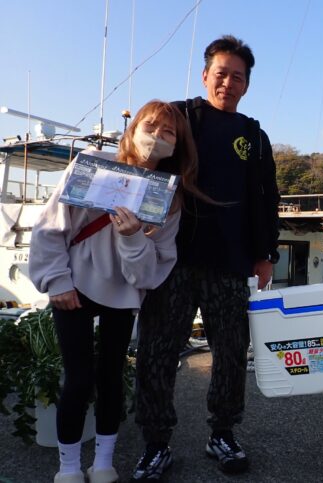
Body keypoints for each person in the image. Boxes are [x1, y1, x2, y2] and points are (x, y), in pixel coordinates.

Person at [29, 100, 204, 483]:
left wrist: (132, 237)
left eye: (169, 132)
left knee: (111, 377)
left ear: (177, 146)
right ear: (133, 128)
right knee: (77, 379)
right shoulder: (92, 164)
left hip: (122, 294)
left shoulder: (169, 198)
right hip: (74, 285)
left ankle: (104, 463)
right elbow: (51, 224)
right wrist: (56, 280)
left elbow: (149, 272)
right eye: (150, 127)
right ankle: (68, 467)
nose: (157, 137)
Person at [131, 35, 280, 480]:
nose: (228, 83)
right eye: (221, 74)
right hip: (170, 259)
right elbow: (138, 154)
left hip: (230, 263)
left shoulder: (254, 136)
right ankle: (156, 442)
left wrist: (266, 253)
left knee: (231, 353)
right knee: (157, 352)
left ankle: (223, 433)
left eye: (237, 77)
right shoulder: (177, 117)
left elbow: (266, 198)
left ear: (247, 84)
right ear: (204, 76)